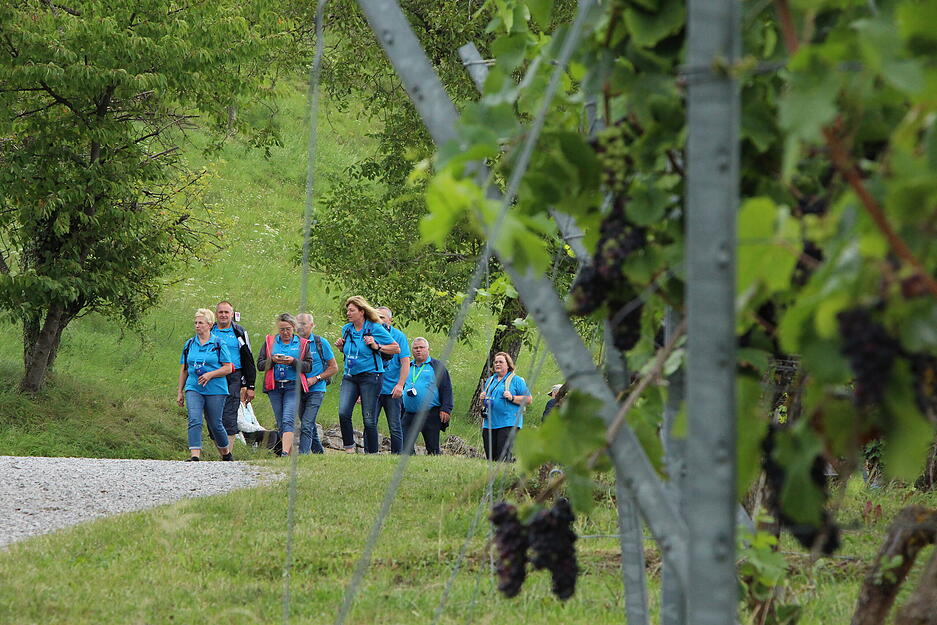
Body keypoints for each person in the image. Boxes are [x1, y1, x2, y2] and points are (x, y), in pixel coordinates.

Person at [334, 296, 397, 454]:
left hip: (371, 377)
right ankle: (349, 448)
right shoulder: (346, 329)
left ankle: (372, 453)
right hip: (350, 375)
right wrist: (341, 348)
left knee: (368, 418)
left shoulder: (375, 328)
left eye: (351, 310)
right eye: (347, 310)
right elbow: (350, 351)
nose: (348, 313)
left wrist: (376, 345)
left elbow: (395, 348)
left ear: (362, 312)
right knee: (343, 412)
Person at [176, 308, 234, 461]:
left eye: (200, 323)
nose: (197, 326)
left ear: (209, 324)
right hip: (194, 387)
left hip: (216, 389)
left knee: (215, 424)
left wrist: (210, 374)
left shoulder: (218, 343)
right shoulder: (189, 344)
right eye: (195, 323)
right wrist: (180, 391)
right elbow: (184, 370)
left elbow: (228, 367)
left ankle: (226, 453)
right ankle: (195, 456)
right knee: (194, 419)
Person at [256, 313, 312, 456]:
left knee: (288, 418)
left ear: (294, 327)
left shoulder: (302, 343)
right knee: (281, 421)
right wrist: (273, 360)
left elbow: (308, 367)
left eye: (288, 329)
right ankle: (290, 454)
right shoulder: (270, 342)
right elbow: (260, 365)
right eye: (282, 330)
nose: (285, 333)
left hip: (293, 387)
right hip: (274, 387)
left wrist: (293, 361)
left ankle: (284, 453)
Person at [211, 300, 256, 446]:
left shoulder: (239, 332)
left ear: (232, 314)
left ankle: (227, 454)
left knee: (230, 413)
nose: (223, 315)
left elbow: (248, 358)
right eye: (220, 312)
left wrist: (250, 385)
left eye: (226, 312)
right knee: (213, 412)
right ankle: (220, 449)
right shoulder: (209, 330)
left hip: (234, 376)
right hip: (213, 375)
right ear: (216, 314)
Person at [401, 337, 453, 455]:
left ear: (428, 349)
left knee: (433, 449)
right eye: (415, 348)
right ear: (412, 350)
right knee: (404, 446)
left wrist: (446, 408)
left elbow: (446, 388)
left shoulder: (436, 366)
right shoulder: (407, 366)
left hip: (430, 413)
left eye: (421, 347)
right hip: (409, 414)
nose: (418, 350)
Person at [296, 313, 338, 454]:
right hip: (298, 389)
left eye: (304, 324)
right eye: (298, 324)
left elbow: (334, 368)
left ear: (312, 326)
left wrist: (316, 378)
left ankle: (303, 455)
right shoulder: (292, 343)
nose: (300, 327)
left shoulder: (321, 343)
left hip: (316, 389)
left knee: (307, 424)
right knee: (309, 423)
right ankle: (319, 453)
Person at [479, 351, 531, 461]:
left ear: (508, 365)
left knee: (502, 458)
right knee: (490, 458)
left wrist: (512, 397)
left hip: (508, 423)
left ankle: (502, 475)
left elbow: (529, 399)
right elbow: (487, 403)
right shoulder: (490, 380)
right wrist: (482, 399)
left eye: (501, 362)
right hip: (489, 423)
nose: (497, 364)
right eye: (495, 362)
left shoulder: (516, 380)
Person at [373, 306, 409, 454]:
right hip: (373, 388)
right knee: (370, 423)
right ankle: (371, 453)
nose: (379, 320)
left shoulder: (399, 336)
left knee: (395, 425)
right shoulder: (369, 334)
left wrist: (400, 385)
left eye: (382, 317)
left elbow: (405, 362)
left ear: (390, 320)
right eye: (377, 317)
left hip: (392, 389)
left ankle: (397, 455)